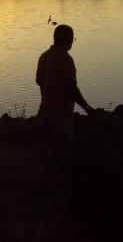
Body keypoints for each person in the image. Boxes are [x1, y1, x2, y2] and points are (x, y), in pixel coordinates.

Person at [36, 24, 97, 186]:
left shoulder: (44, 56)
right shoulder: (65, 59)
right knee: (65, 151)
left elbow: (38, 80)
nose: (72, 42)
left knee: (55, 147)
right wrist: (87, 108)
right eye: (72, 39)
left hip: (46, 109)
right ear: (67, 40)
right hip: (61, 112)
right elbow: (71, 88)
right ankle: (63, 185)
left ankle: (45, 180)